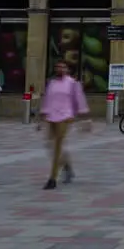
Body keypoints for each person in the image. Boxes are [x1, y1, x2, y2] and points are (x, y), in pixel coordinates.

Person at [39, 59, 89, 190]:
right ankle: (67, 166)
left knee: (57, 146)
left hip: (65, 116)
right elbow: (47, 99)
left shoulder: (72, 83)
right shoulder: (52, 83)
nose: (60, 69)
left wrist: (84, 118)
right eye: (57, 67)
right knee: (49, 145)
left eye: (62, 67)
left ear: (67, 69)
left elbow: (80, 99)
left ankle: (52, 178)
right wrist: (42, 115)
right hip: (51, 116)